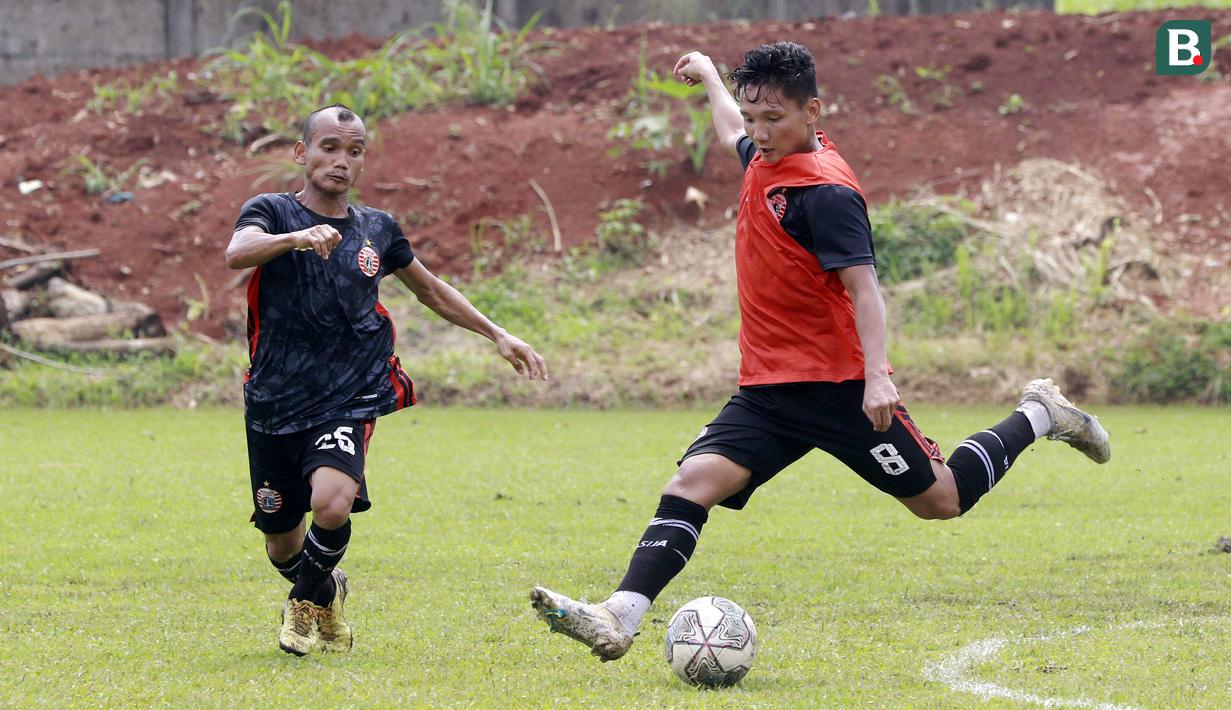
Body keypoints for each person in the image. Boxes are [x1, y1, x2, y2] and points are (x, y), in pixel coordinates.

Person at [529, 42, 1109, 662]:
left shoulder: (826, 194)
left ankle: (1041, 413)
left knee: (942, 500)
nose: (759, 132)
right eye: (755, 119)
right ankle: (620, 615)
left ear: (813, 112)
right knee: (693, 483)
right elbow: (732, 128)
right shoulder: (763, 154)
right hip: (769, 391)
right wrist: (707, 79)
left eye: (772, 120)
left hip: (842, 391)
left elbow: (865, 289)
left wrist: (877, 376)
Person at [227, 103, 548, 656]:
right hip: (274, 400)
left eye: (354, 152)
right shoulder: (273, 211)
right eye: (329, 148)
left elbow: (431, 289)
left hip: (348, 394)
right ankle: (325, 591)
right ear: (302, 153)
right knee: (282, 543)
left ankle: (302, 610)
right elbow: (238, 252)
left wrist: (497, 333)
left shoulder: (378, 228)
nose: (341, 161)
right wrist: (297, 239)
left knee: (332, 503)